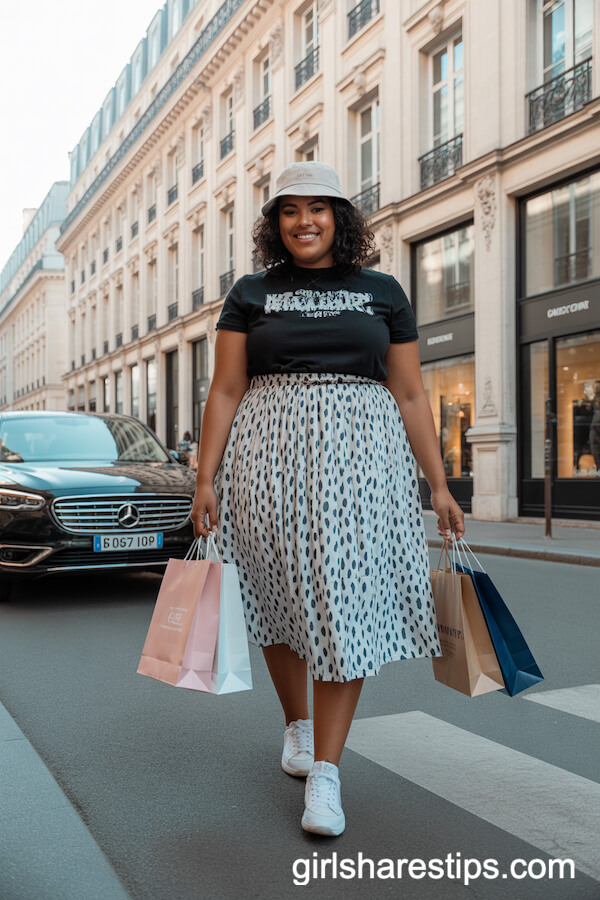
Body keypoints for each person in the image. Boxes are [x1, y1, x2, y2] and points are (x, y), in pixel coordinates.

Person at [191, 161, 465, 837]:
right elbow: (225, 389)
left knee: (343, 604)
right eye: (289, 210)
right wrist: (205, 477)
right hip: (266, 458)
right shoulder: (250, 292)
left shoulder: (383, 290)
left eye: (318, 208)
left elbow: (409, 392)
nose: (303, 221)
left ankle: (327, 773)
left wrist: (438, 483)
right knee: (279, 594)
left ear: (342, 218)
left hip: (363, 461)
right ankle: (297, 727)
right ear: (274, 223)